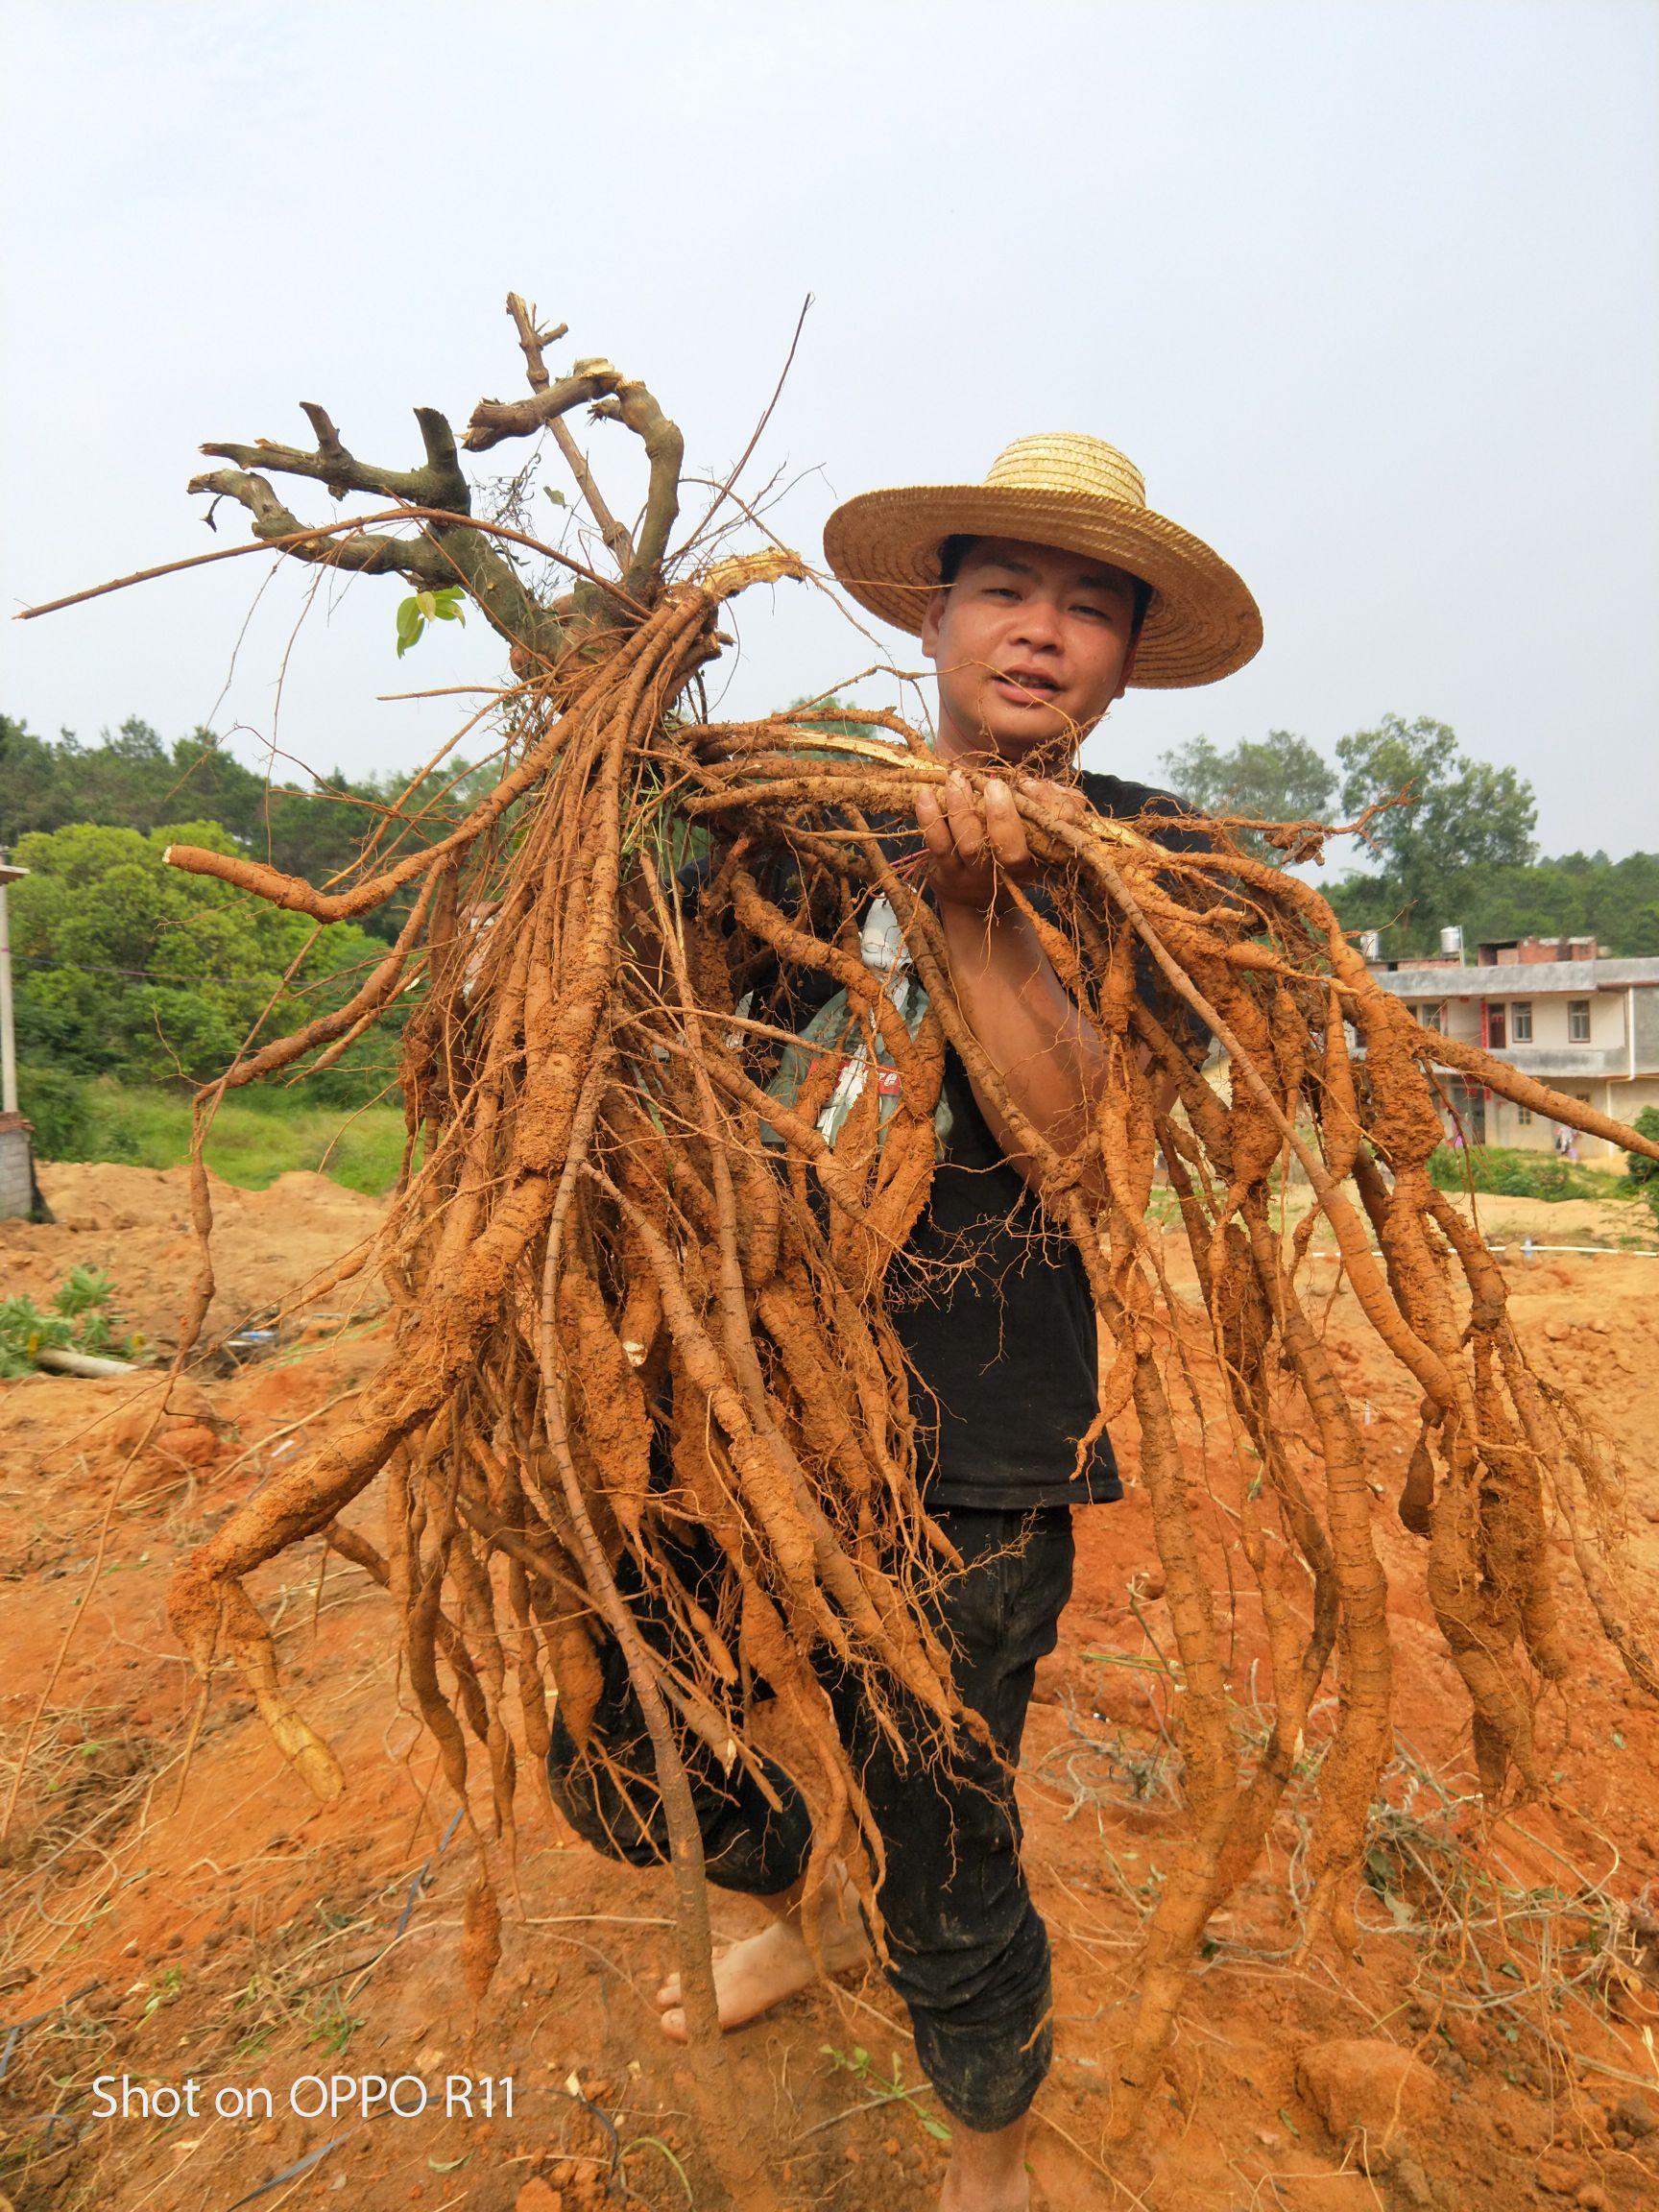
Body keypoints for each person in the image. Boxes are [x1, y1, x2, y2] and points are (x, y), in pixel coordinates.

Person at [546, 433, 1262, 2211]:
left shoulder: (1163, 863)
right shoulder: (795, 807)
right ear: (933, 615)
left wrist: (974, 920)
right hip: (741, 1376)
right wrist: (615, 738)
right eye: (1007, 590)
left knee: (947, 1813)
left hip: (989, 1410)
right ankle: (797, 1888)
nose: (1041, 631)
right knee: (616, 1736)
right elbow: (674, 1044)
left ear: (1121, 658)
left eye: (1088, 607)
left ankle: (989, 2157)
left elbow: (1086, 1145)